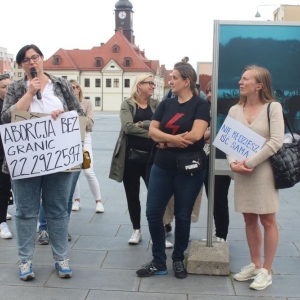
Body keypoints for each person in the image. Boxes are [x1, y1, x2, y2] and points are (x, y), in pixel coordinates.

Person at [1, 44, 84, 281]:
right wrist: (29, 93)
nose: (32, 62)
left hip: (58, 159)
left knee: (57, 210)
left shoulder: (61, 85)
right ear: (21, 65)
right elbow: (6, 119)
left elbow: (80, 115)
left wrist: (62, 116)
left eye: (35, 57)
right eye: (26, 60)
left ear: (42, 59)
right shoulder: (17, 87)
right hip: (26, 160)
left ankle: (61, 258)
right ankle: (25, 261)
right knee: (26, 212)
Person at [136, 59, 210, 279]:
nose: (171, 81)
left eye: (175, 78)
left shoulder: (200, 105)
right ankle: (159, 261)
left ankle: (178, 259)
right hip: (162, 165)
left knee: (183, 215)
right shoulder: (166, 104)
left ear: (187, 82)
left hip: (189, 168)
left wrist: (165, 141)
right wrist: (172, 140)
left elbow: (196, 135)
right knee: (153, 213)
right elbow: (152, 131)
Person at [227, 65, 284, 291]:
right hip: (242, 173)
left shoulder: (273, 108)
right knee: (249, 219)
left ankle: (266, 271)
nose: (240, 82)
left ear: (259, 85)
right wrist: (233, 163)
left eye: (245, 79)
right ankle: (255, 263)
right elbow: (229, 141)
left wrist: (249, 163)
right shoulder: (234, 110)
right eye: (241, 78)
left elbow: (276, 142)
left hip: (264, 173)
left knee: (267, 220)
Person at [109, 73, 159, 244]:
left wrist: (142, 124)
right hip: (130, 157)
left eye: (153, 83)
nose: (153, 86)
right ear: (140, 85)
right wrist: (152, 132)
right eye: (150, 83)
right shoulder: (127, 104)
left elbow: (161, 124)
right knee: (132, 195)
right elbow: (128, 128)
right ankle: (136, 230)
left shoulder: (156, 104)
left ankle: (158, 231)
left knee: (155, 195)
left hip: (152, 158)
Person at [202, 81, 231, 242]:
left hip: (221, 158)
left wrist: (207, 134)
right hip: (204, 158)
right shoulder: (204, 109)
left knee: (219, 196)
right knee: (210, 195)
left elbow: (223, 133)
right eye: (207, 91)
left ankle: (221, 233)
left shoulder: (229, 111)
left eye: (213, 91)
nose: (209, 94)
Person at [70, 80, 104, 213]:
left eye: (75, 87)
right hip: (69, 139)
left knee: (88, 170)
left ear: (79, 89)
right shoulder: (64, 103)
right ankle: (76, 200)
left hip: (85, 137)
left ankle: (99, 201)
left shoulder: (87, 103)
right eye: (70, 87)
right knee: (73, 171)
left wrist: (76, 116)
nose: (73, 89)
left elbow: (90, 123)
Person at [0, 73, 12, 239]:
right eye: (3, 87)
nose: (8, 90)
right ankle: (1, 222)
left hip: (8, 153)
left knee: (5, 188)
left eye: (10, 86)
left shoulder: (14, 103)